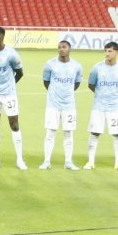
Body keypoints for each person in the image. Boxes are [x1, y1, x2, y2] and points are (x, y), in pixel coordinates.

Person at [85, 42, 118, 171]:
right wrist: (101, 95)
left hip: (115, 108)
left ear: (116, 52)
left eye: (110, 51)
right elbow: (91, 85)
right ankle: (90, 161)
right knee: (94, 133)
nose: (107, 54)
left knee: (117, 134)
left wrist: (115, 97)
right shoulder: (97, 68)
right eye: (106, 51)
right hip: (99, 107)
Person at [0, 27, 25, 169]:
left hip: (9, 95)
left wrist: (9, 85)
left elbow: (19, 73)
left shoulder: (12, 54)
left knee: (14, 125)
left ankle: (20, 160)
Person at [40, 40, 84, 170]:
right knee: (50, 133)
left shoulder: (76, 66)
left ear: (69, 49)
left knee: (68, 133)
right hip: (52, 104)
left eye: (64, 47)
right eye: (59, 47)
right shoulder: (50, 64)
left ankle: (68, 162)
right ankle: (47, 161)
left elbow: (76, 84)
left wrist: (66, 93)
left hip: (69, 105)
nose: (61, 49)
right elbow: (46, 82)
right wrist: (55, 93)